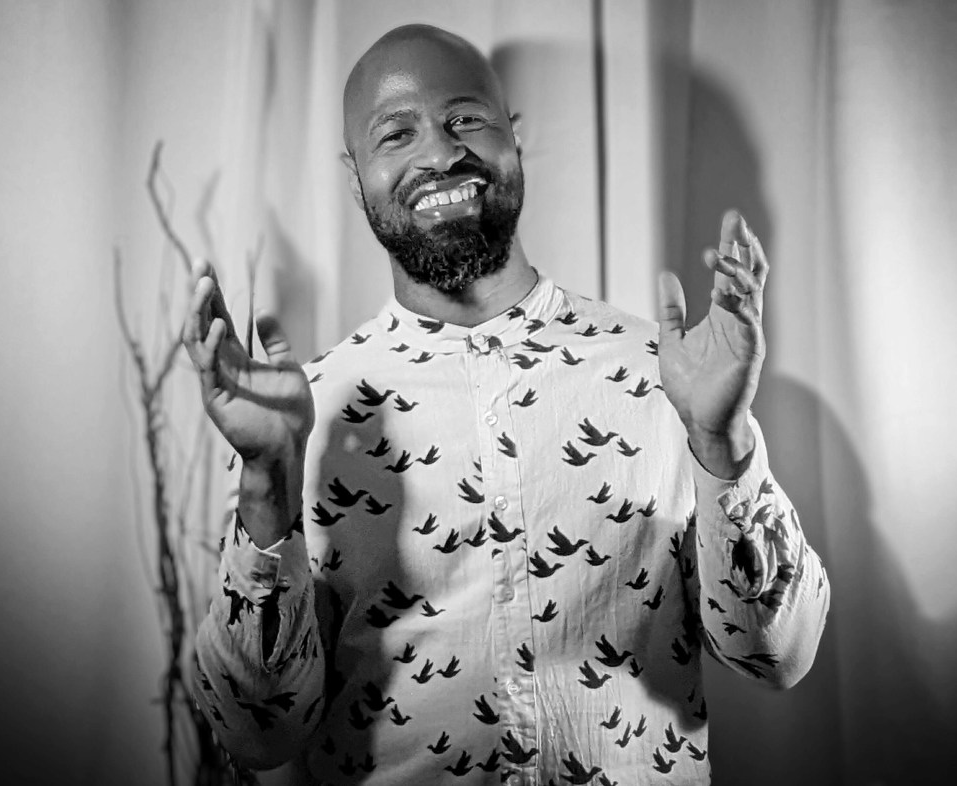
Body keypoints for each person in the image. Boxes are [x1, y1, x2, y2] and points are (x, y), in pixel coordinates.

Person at [183, 23, 829, 786]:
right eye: (396, 133)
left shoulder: (666, 375)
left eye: (465, 119)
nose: (439, 153)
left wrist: (722, 444)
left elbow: (777, 655)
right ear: (356, 179)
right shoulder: (310, 417)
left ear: (514, 140)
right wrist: (266, 483)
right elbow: (258, 735)